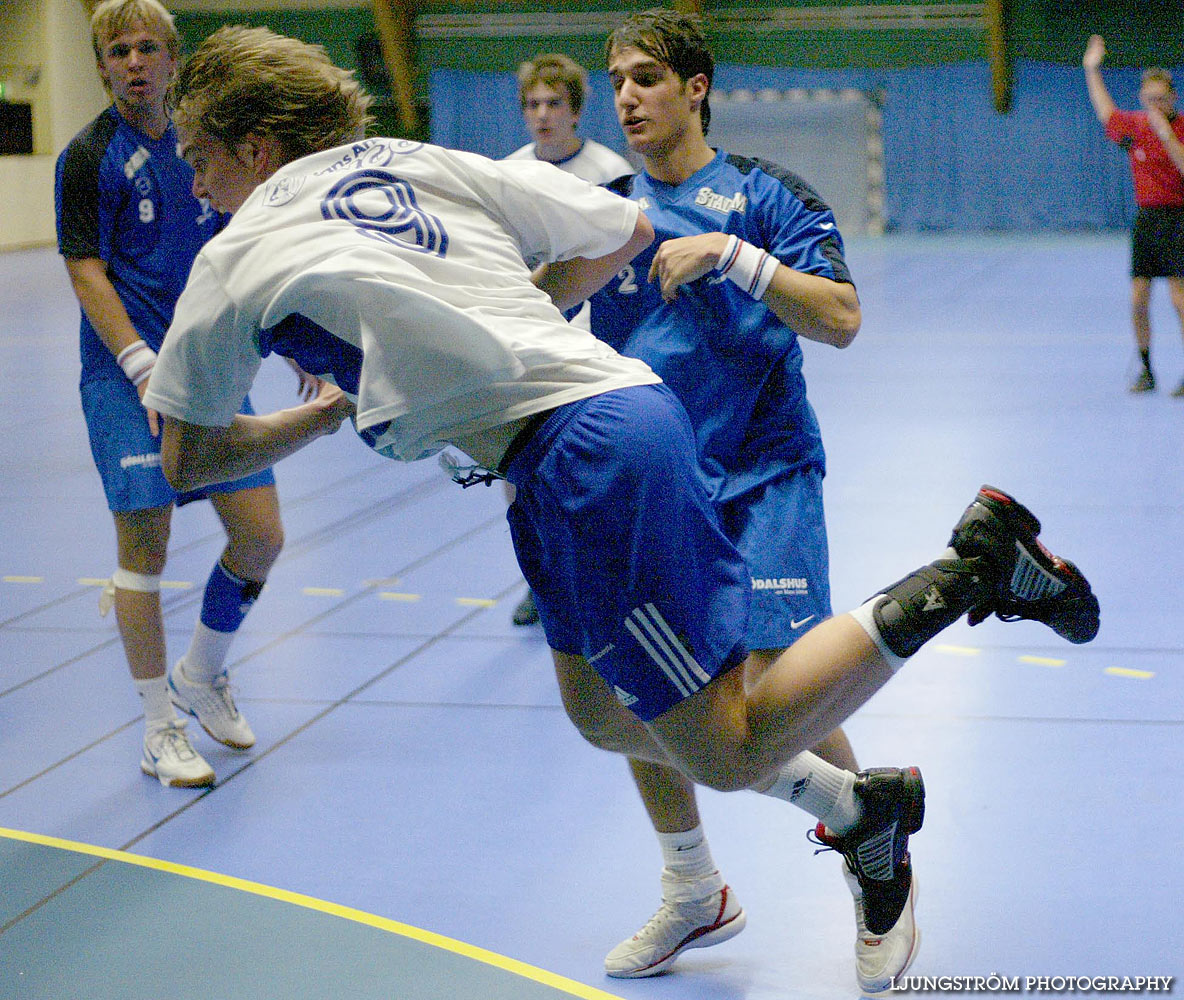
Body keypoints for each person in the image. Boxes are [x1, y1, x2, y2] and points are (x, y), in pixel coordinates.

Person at [143, 23, 1099, 984]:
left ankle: (972, 577)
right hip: (574, 460)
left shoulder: (243, 253)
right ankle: (769, 854)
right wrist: (483, 346)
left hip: (639, 454)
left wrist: (320, 421)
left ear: (256, 149)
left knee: (733, 731)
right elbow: (616, 242)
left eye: (198, 159)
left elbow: (182, 458)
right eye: (617, 83)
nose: (193, 185)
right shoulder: (429, 162)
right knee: (600, 710)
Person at [576, 8, 913, 989]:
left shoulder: (765, 195)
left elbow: (840, 320)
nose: (627, 96)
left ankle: (875, 862)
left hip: (763, 469)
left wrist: (735, 256)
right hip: (652, 482)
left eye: (645, 77)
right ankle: (693, 889)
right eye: (617, 81)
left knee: (773, 684)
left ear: (695, 86)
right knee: (635, 680)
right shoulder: (600, 206)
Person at [54, 0, 292, 788]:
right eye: (117, 51)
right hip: (127, 379)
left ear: (172, 58)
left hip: (209, 368)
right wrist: (140, 365)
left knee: (260, 536)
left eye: (147, 47)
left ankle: (204, 671)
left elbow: (240, 245)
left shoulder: (204, 148)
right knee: (144, 551)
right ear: (101, 67)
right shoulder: (88, 157)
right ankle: (160, 728)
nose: (133, 62)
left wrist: (288, 334)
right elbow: (85, 267)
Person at [503, 52, 634, 627]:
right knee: (517, 466)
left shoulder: (608, 170)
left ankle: (606, 579)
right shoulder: (506, 172)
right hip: (528, 339)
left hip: (591, 341)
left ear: (575, 111)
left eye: (554, 103)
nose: (542, 115)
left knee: (592, 467)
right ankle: (541, 580)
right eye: (533, 104)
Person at [1083, 34, 1184, 395]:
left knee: (1179, 300)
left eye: (1162, 98)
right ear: (1142, 99)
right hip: (1148, 220)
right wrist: (1091, 69)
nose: (1156, 104)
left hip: (1179, 219)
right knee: (1139, 299)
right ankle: (1146, 369)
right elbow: (1106, 112)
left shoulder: (1180, 127)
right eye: (1149, 99)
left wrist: (1167, 135)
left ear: (1173, 97)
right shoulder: (1135, 127)